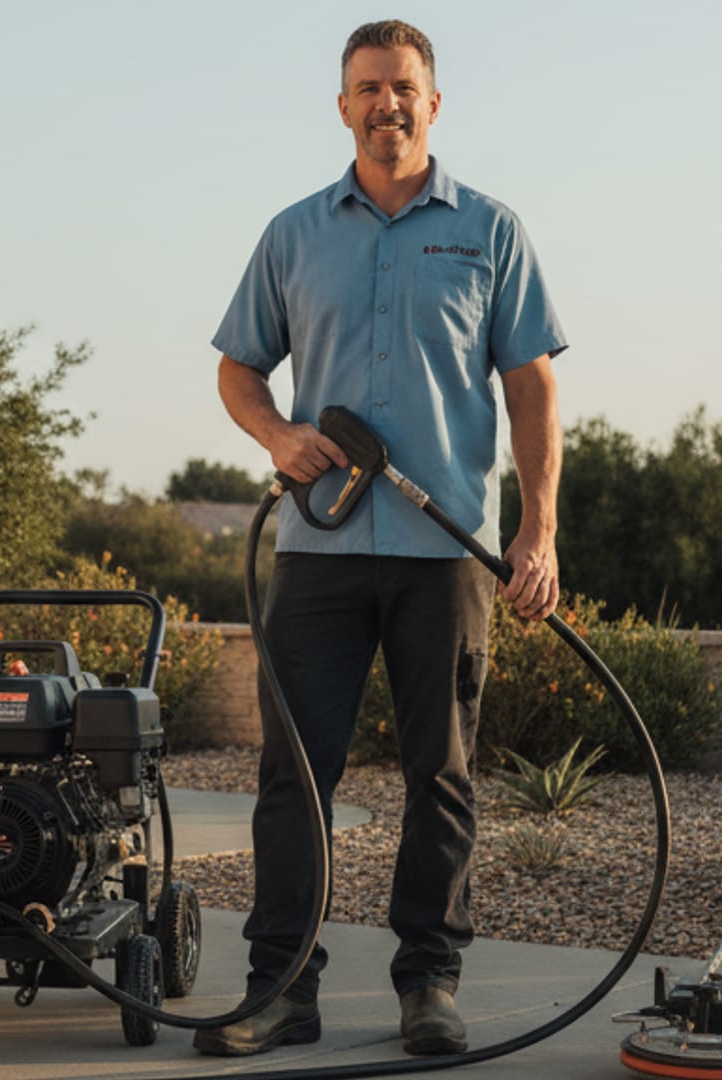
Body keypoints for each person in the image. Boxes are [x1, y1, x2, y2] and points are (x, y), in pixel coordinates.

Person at [195, 18, 566, 1059]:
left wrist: (536, 532)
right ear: (344, 105)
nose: (385, 103)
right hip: (317, 553)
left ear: (433, 104)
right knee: (293, 775)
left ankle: (429, 986)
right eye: (366, 87)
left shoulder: (490, 231)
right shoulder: (295, 233)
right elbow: (237, 366)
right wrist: (276, 433)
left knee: (439, 774)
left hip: (446, 555)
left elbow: (534, 387)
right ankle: (280, 988)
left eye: (403, 86)